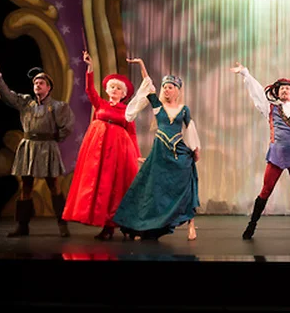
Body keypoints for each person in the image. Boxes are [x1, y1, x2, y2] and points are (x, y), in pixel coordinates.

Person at [112, 58, 201, 240]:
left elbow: (190, 129)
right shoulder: (158, 106)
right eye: (165, 87)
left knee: (185, 188)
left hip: (179, 154)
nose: (166, 90)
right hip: (160, 154)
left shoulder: (184, 109)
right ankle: (142, 227)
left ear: (177, 90)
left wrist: (196, 150)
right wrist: (141, 64)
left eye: (170, 87)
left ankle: (191, 225)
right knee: (152, 190)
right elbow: (148, 82)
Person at [0, 57, 75, 237]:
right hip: (28, 147)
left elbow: (67, 126)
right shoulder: (26, 103)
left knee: (54, 186)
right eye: (35, 83)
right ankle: (22, 225)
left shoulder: (58, 106)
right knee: (26, 186)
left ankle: (62, 224)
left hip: (48, 147)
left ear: (48, 88)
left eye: (41, 83)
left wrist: (54, 139)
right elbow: (7, 95)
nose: (37, 85)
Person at [231, 62, 290, 240]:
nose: (284, 91)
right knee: (265, 190)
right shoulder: (270, 109)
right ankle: (251, 225)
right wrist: (245, 73)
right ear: (277, 93)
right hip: (276, 155)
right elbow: (257, 92)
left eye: (287, 89)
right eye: (281, 89)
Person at [62, 51, 141, 240]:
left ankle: (121, 225)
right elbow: (90, 91)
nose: (114, 90)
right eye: (112, 87)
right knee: (101, 187)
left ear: (123, 94)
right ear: (107, 90)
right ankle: (106, 226)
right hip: (99, 151)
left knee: (116, 187)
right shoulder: (101, 105)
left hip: (119, 152)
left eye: (118, 88)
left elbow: (132, 133)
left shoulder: (127, 111)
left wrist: (137, 155)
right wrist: (90, 68)